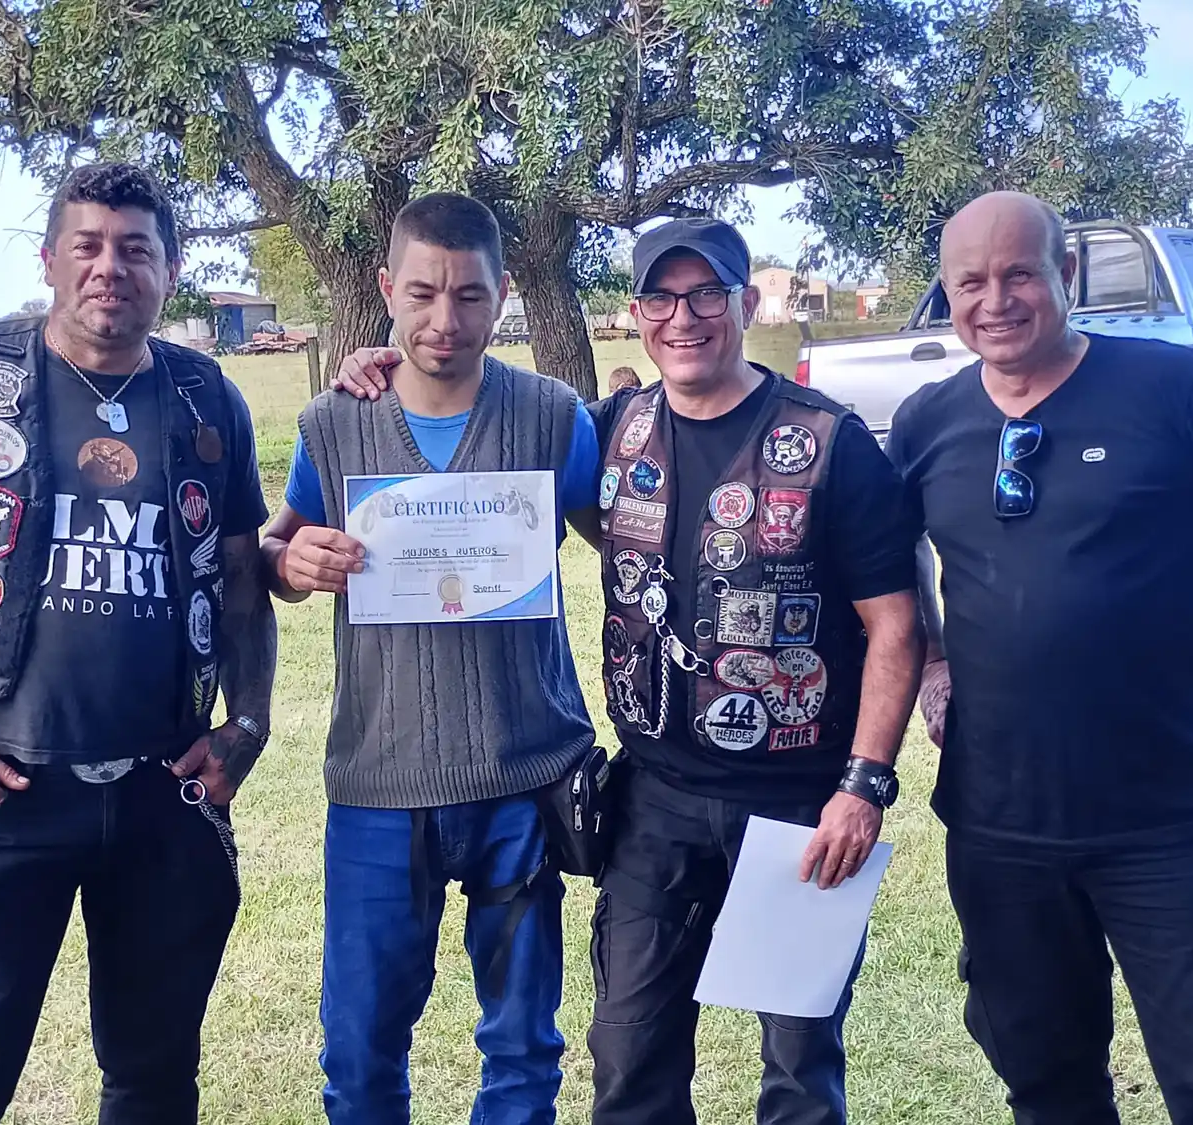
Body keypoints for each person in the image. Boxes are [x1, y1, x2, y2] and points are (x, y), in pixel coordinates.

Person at [332, 216, 926, 1125]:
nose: (683, 318)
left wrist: (864, 785)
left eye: (705, 295)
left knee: (800, 1065)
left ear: (745, 301)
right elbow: (508, 457)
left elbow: (895, 626)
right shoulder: (611, 432)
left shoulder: (828, 442)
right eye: (660, 298)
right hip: (655, 800)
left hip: (799, 806)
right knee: (630, 1058)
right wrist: (386, 360)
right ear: (639, 313)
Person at [0, 162, 275, 1125]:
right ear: (48, 259)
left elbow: (245, 581)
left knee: (154, 1082)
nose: (109, 266)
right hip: (6, 788)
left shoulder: (207, 398)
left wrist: (247, 722)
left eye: (136, 249)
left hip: (165, 789)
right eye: (87, 245)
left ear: (171, 271)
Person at [891, 190, 1193, 1125]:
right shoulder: (927, 421)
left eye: (1020, 273)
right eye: (971, 282)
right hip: (1000, 824)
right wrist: (931, 659)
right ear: (948, 293)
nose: (996, 300)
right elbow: (891, 556)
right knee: (1046, 1087)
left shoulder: (1173, 387)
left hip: (1168, 817)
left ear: (1068, 274)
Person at [258, 192, 600, 1125]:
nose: (444, 318)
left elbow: (630, 543)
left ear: (503, 295)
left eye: (469, 295)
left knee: (523, 1049)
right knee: (360, 1054)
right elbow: (273, 551)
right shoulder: (335, 424)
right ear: (386, 289)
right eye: (421, 293)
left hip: (523, 780)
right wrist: (290, 562)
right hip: (380, 783)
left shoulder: (553, 417)